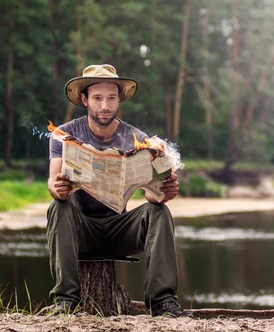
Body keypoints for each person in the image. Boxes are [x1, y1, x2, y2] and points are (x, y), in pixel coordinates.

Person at [47, 64, 191, 317]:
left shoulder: (137, 137)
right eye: (98, 98)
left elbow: (150, 194)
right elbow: (53, 184)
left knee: (159, 212)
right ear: (85, 99)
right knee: (59, 206)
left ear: (119, 100)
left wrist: (163, 192)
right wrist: (58, 188)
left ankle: (162, 303)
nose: (105, 106)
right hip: (80, 229)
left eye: (112, 98)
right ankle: (65, 301)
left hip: (119, 228)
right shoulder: (64, 134)